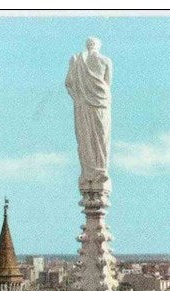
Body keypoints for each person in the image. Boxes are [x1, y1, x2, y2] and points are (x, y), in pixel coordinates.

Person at [65, 37, 112, 189]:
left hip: (83, 105)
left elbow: (68, 84)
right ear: (98, 46)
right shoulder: (106, 61)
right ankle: (99, 170)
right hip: (101, 105)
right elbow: (107, 84)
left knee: (85, 137)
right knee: (101, 137)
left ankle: (90, 172)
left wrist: (79, 98)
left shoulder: (76, 60)